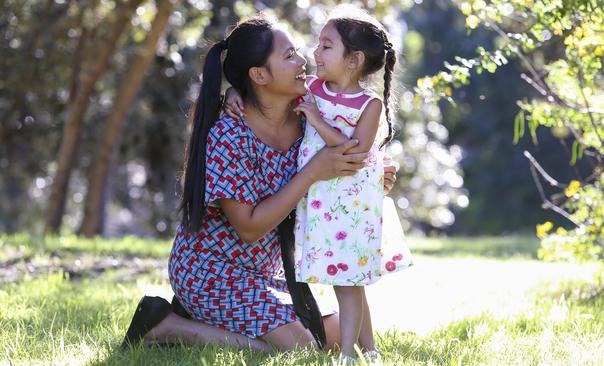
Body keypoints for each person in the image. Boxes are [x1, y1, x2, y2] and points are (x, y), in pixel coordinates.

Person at [121, 14, 399, 353]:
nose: (303, 60)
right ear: (259, 75)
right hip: (210, 270)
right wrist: (312, 172)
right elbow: (249, 228)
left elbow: (349, 141)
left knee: (344, 334)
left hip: (265, 274)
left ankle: (214, 323)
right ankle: (166, 326)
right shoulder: (230, 135)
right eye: (289, 56)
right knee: (301, 349)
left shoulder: (308, 115)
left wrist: (372, 172)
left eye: (298, 52)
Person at [224, 8, 413, 362]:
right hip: (321, 205)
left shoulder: (357, 103)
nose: (312, 54)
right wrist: (234, 91)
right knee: (348, 283)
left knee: (349, 283)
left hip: (348, 206)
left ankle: (353, 354)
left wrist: (317, 120)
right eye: (317, 45)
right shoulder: (312, 90)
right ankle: (365, 351)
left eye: (325, 46)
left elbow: (352, 150)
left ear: (354, 60)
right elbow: (265, 84)